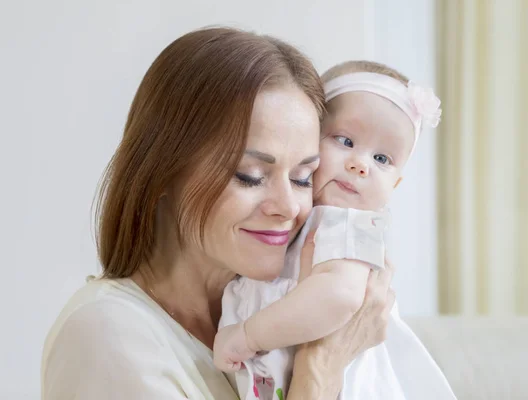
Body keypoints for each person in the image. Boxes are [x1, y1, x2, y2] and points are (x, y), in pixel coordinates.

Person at [40, 28, 395, 400]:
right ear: (162, 171)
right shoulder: (106, 334)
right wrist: (322, 362)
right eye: (250, 177)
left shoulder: (272, 317)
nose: (289, 207)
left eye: (303, 178)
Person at [213, 61, 456, 400]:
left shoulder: (348, 224)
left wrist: (249, 336)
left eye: (383, 159)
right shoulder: (303, 217)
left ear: (396, 184)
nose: (361, 164)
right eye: (345, 140)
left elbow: (338, 295)